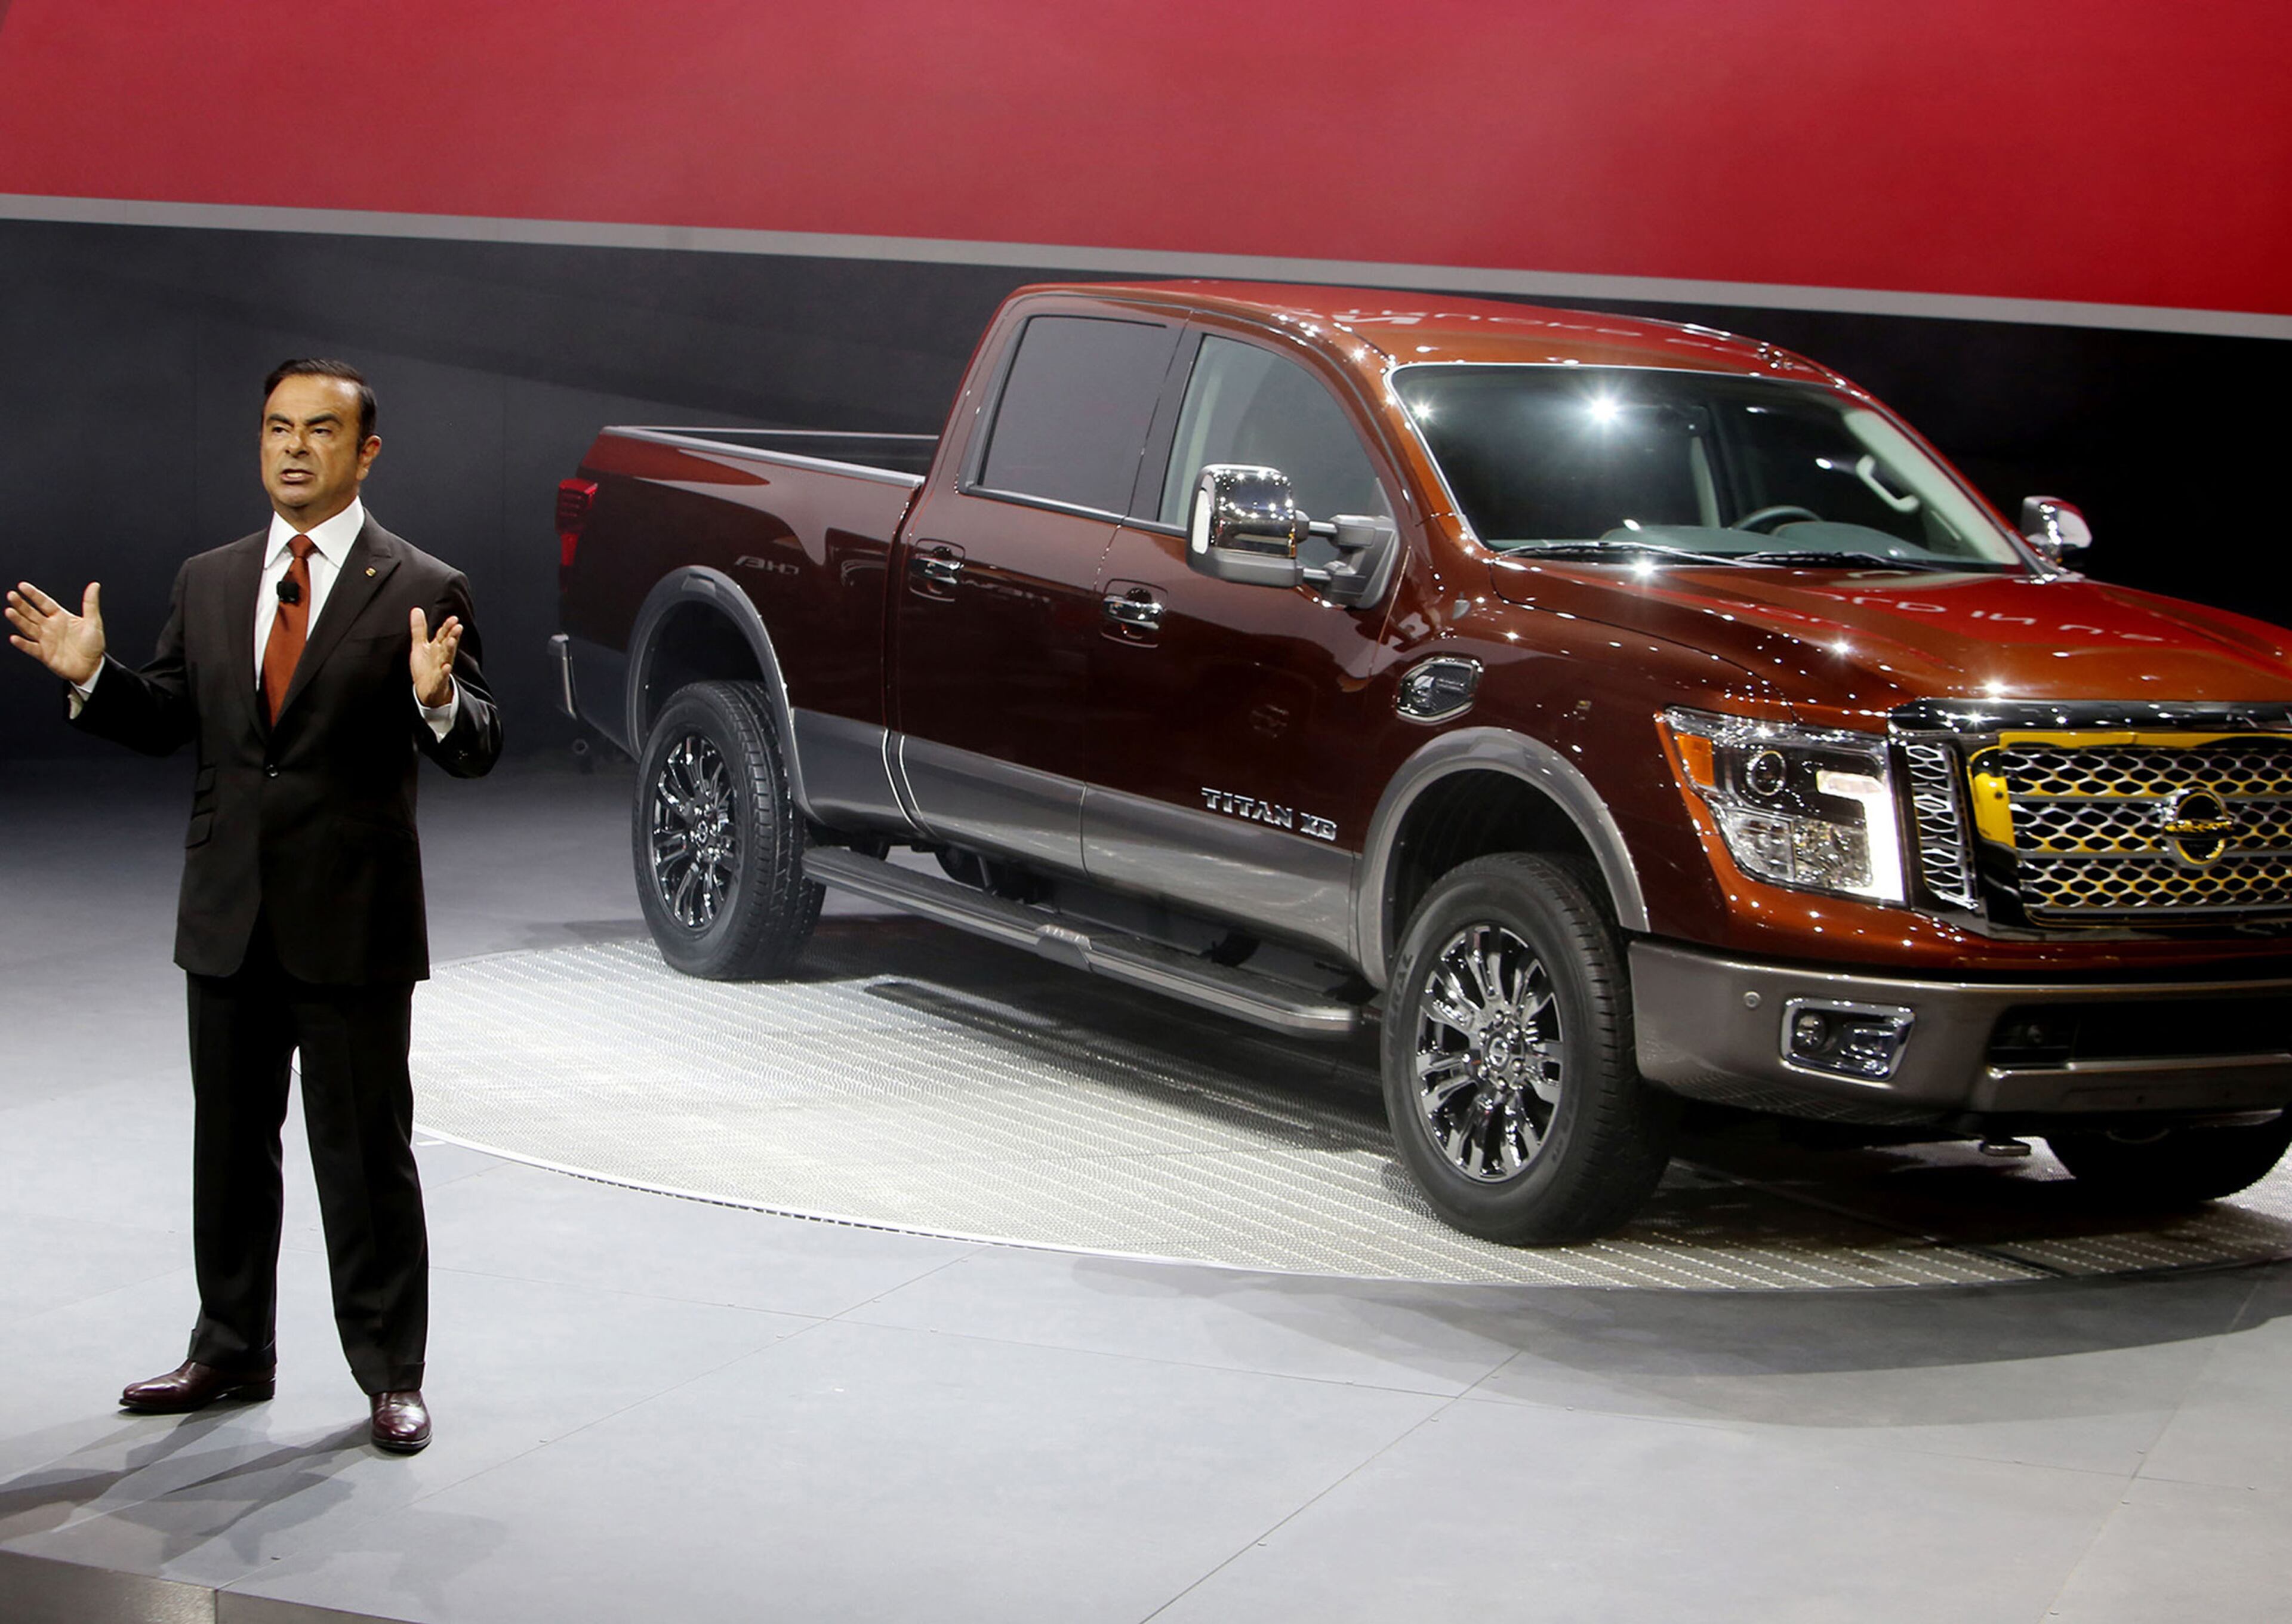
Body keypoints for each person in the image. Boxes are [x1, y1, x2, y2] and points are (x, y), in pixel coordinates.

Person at [5, 359, 502, 1453]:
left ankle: (390, 1374)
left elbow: (479, 745)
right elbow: (166, 716)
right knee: (229, 1147)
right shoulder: (211, 578)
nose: (293, 449)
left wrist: (436, 700)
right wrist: (95, 678)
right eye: (277, 428)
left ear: (365, 452)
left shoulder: (422, 582)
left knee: (366, 1158)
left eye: (320, 431)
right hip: (228, 912)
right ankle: (230, 1348)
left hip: (353, 922)